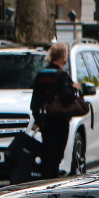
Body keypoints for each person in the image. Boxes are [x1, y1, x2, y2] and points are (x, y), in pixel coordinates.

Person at [30, 42, 81, 178]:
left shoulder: (41, 75)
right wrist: (74, 89)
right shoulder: (61, 75)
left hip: (45, 121)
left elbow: (35, 101)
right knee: (57, 154)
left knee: (47, 152)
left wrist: (38, 119)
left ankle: (46, 180)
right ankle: (52, 182)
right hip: (59, 121)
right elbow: (67, 97)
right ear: (63, 57)